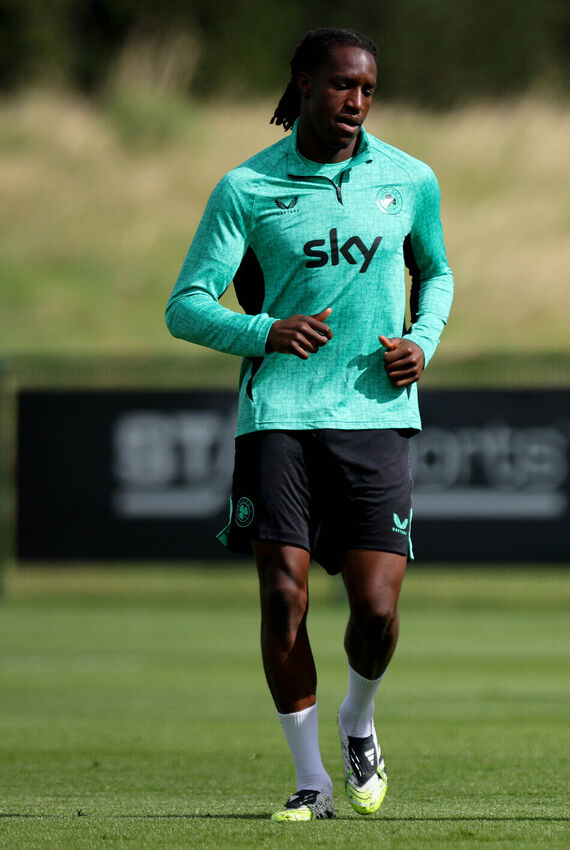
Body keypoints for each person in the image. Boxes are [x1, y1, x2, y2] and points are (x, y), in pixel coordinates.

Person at [166, 27, 454, 821]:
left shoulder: (409, 179)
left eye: (367, 89)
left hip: (376, 414)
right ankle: (311, 782)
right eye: (341, 85)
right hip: (279, 418)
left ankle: (358, 719)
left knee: (377, 612)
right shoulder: (247, 187)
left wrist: (423, 341)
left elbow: (436, 270)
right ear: (303, 86)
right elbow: (186, 305)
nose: (356, 101)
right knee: (281, 596)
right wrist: (266, 330)